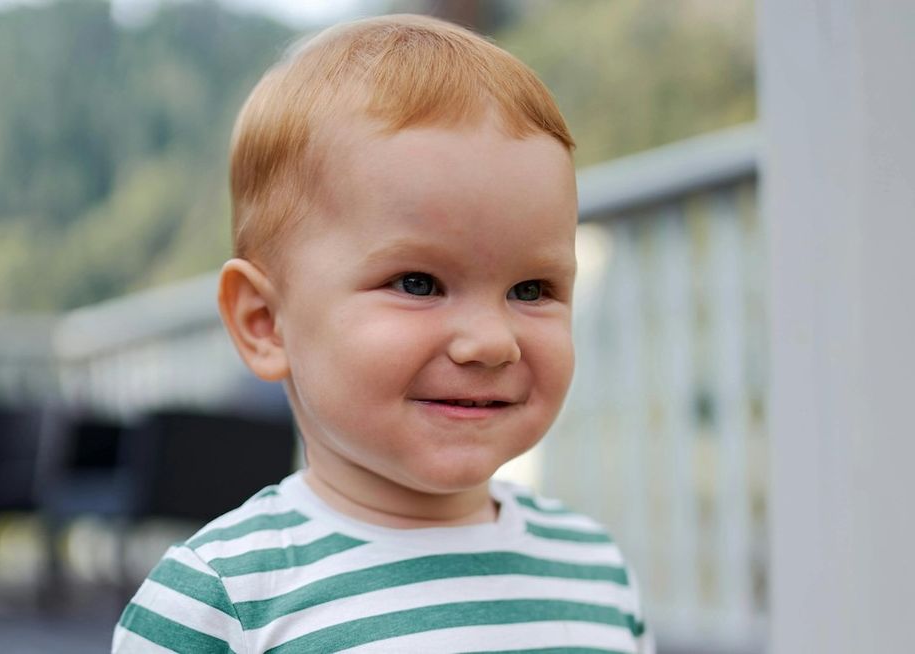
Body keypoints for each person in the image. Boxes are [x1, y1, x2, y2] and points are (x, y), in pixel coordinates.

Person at [113, 14, 653, 653]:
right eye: (418, 283)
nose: (490, 342)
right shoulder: (223, 600)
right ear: (265, 322)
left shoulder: (593, 573)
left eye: (530, 290)